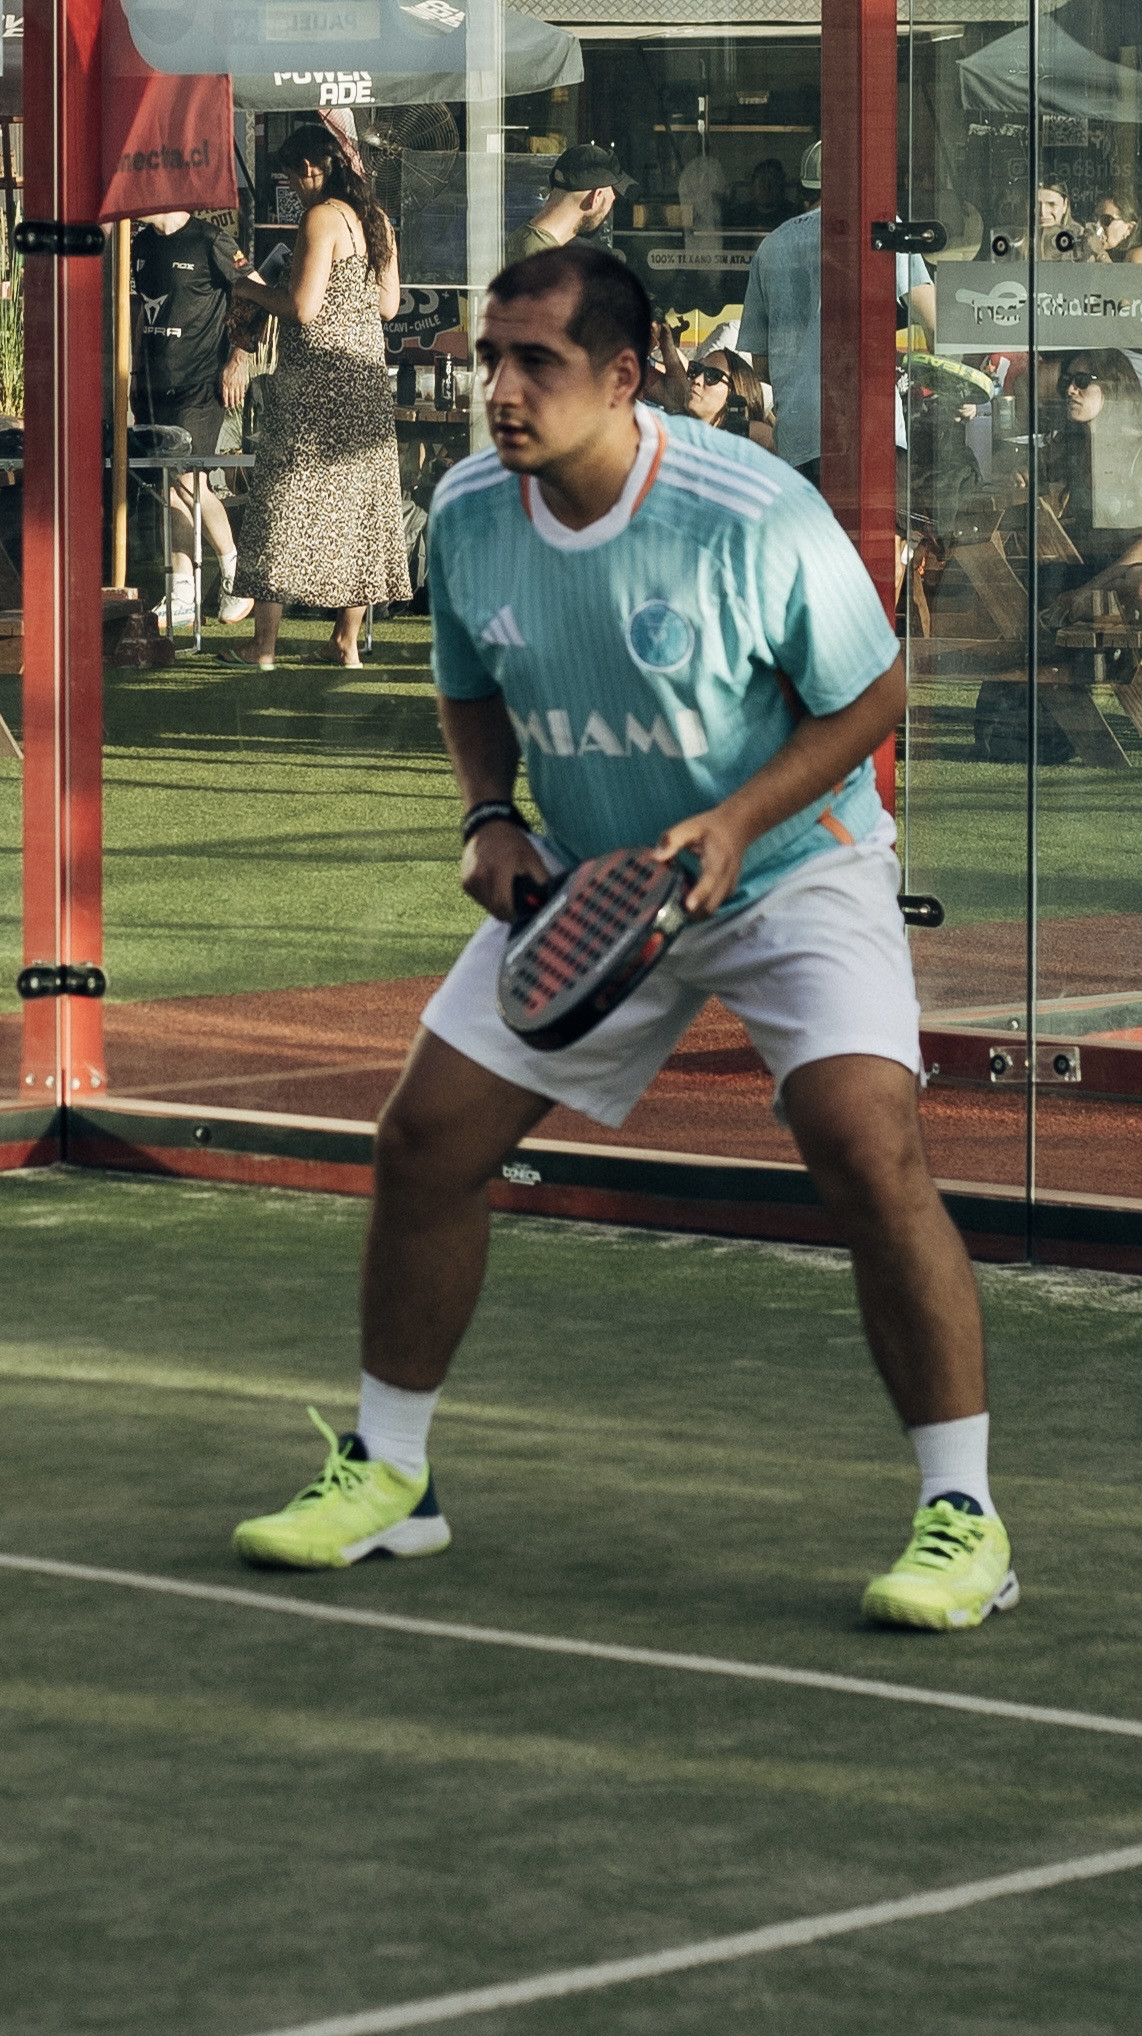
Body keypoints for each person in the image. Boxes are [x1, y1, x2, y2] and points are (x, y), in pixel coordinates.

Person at [232, 244, 1019, 1636]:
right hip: (599, 884)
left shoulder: (750, 511)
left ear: (623, 375)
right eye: (490, 357)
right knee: (425, 1141)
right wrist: (489, 815)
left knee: (864, 1139)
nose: (500, 388)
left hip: (791, 867)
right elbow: (467, 682)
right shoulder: (469, 508)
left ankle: (963, 1515)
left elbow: (874, 694)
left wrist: (735, 824)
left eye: (535, 361)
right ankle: (393, 1475)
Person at [221, 125, 410, 669]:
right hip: (365, 381)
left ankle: (263, 647)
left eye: (289, 177)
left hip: (315, 381)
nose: (291, 187)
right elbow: (389, 306)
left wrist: (249, 288)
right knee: (360, 506)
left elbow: (302, 308)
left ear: (309, 168)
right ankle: (345, 642)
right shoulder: (377, 220)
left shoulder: (321, 217)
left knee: (281, 504)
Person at [738, 139, 937, 485]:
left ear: (804, 190)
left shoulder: (769, 248)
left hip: (798, 437)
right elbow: (933, 320)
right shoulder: (879, 229)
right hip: (868, 426)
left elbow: (762, 368)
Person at [129, 212, 255, 629]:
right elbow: (139, 313)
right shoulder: (142, 243)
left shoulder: (210, 240)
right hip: (152, 385)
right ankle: (183, 590)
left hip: (199, 386)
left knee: (188, 479)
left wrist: (238, 358)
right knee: (169, 484)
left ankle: (237, 572)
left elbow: (256, 295)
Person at [1047, 349, 1142, 623]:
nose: (1071, 390)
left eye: (1082, 381)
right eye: (1067, 381)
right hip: (1105, 561)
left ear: (1113, 388)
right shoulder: (1081, 447)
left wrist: (1089, 590)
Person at [504, 143, 637, 266]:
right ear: (595, 197)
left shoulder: (521, 240)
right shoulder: (544, 266)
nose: (610, 209)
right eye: (613, 200)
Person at [683, 346, 774, 448]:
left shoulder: (756, 437)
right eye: (696, 369)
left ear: (735, 391)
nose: (697, 380)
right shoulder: (679, 433)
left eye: (712, 375)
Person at [1093, 194, 1142, 266]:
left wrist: (1101, 255)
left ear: (1129, 228)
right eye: (1095, 218)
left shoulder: (1140, 256)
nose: (1097, 225)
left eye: (1106, 219)